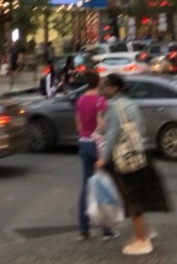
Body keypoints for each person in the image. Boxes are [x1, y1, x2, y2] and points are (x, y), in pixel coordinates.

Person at [97, 73, 170, 256]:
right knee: (138, 195)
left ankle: (142, 239)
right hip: (139, 153)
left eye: (106, 85)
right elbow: (139, 129)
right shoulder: (130, 104)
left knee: (131, 197)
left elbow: (112, 134)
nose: (102, 88)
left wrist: (103, 158)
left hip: (124, 158)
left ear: (115, 88)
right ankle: (143, 232)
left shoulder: (113, 107)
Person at [74, 72, 114, 241]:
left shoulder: (81, 100)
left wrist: (85, 133)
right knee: (103, 186)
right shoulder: (100, 100)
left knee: (86, 186)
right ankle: (106, 229)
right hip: (97, 145)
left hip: (84, 142)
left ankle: (84, 229)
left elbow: (78, 125)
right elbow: (101, 125)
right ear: (98, 83)